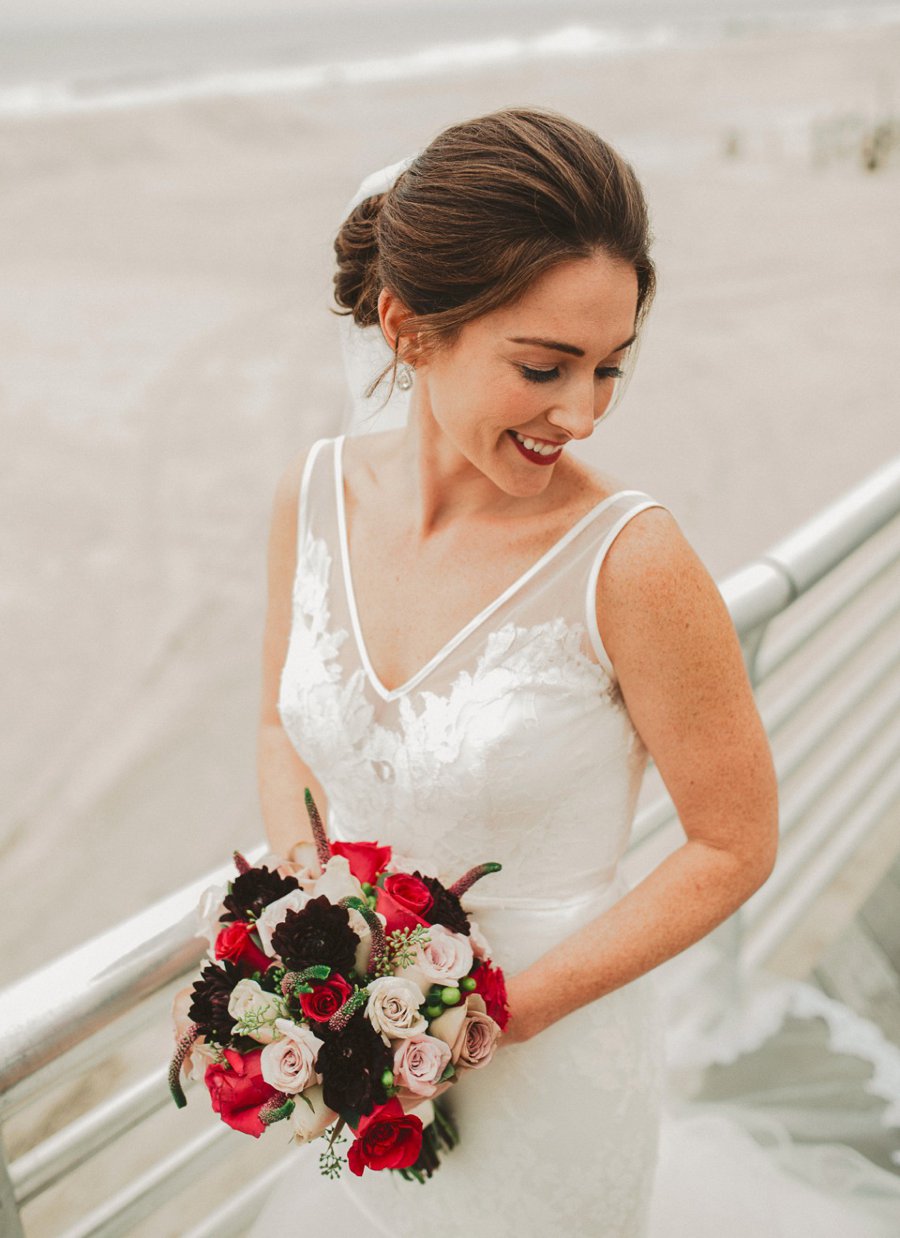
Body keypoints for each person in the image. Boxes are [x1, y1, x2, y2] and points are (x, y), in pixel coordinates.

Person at [251, 109, 899, 1236]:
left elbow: (735, 842)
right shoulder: (308, 498)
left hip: (552, 1075)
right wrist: (308, 915)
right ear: (407, 327)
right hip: (354, 1069)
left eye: (609, 368)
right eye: (544, 366)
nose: (583, 412)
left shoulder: (633, 561)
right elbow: (277, 725)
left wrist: (498, 1016)